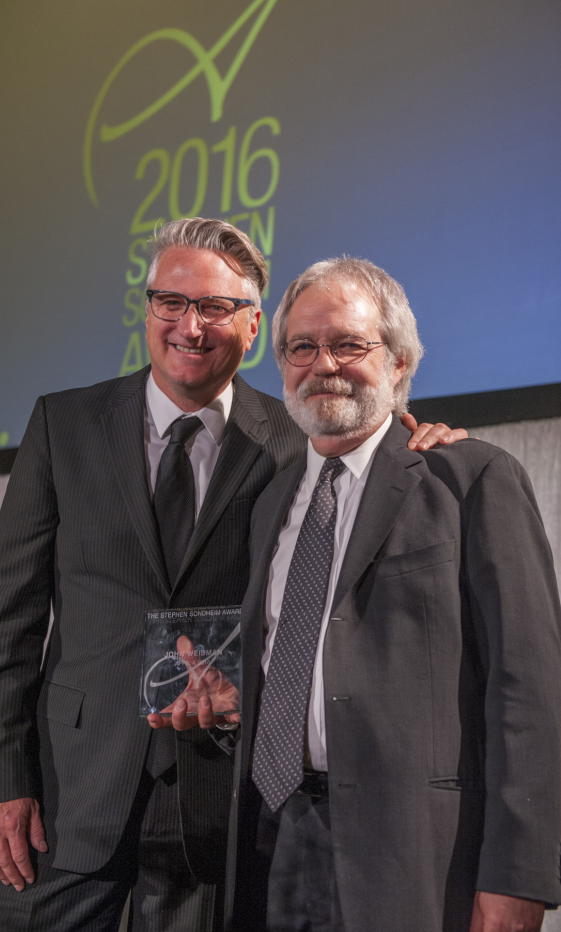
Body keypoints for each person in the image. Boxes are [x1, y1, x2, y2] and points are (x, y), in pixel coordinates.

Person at [0, 222, 465, 932]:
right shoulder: (63, 425)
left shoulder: (300, 439)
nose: (190, 327)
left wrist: (427, 441)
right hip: (69, 791)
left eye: (217, 308)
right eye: (171, 302)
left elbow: (371, 458)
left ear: (254, 326)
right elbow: (5, 625)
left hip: (222, 793)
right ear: (148, 310)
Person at [172, 256, 561, 932]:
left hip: (417, 856)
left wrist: (518, 878)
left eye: (349, 344)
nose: (323, 363)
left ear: (400, 363)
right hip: (271, 840)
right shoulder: (269, 503)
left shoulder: (470, 480)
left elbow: (530, 692)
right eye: (301, 347)